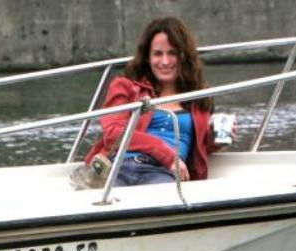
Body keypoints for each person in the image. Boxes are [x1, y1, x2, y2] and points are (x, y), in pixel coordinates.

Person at [83, 17, 226, 186]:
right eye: (158, 54)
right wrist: (167, 155)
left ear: (184, 56)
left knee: (164, 194)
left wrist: (217, 139)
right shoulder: (125, 87)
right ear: (147, 57)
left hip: (164, 173)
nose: (165, 61)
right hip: (121, 166)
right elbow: (113, 134)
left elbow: (199, 148)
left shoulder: (199, 98)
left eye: (172, 53)